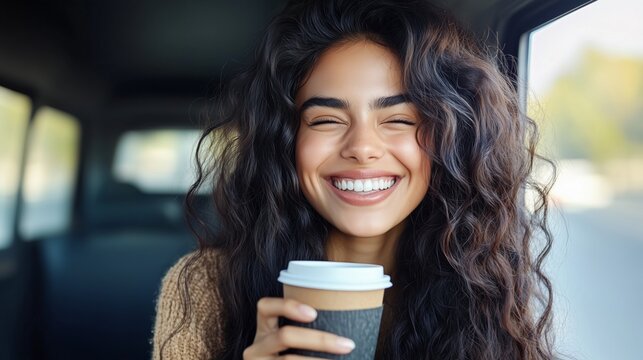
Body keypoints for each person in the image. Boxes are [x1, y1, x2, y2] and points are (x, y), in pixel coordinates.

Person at [151, 0, 556, 359]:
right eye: (326, 120)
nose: (362, 147)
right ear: (286, 141)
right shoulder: (204, 288)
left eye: (399, 120)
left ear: (450, 140)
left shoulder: (486, 287)